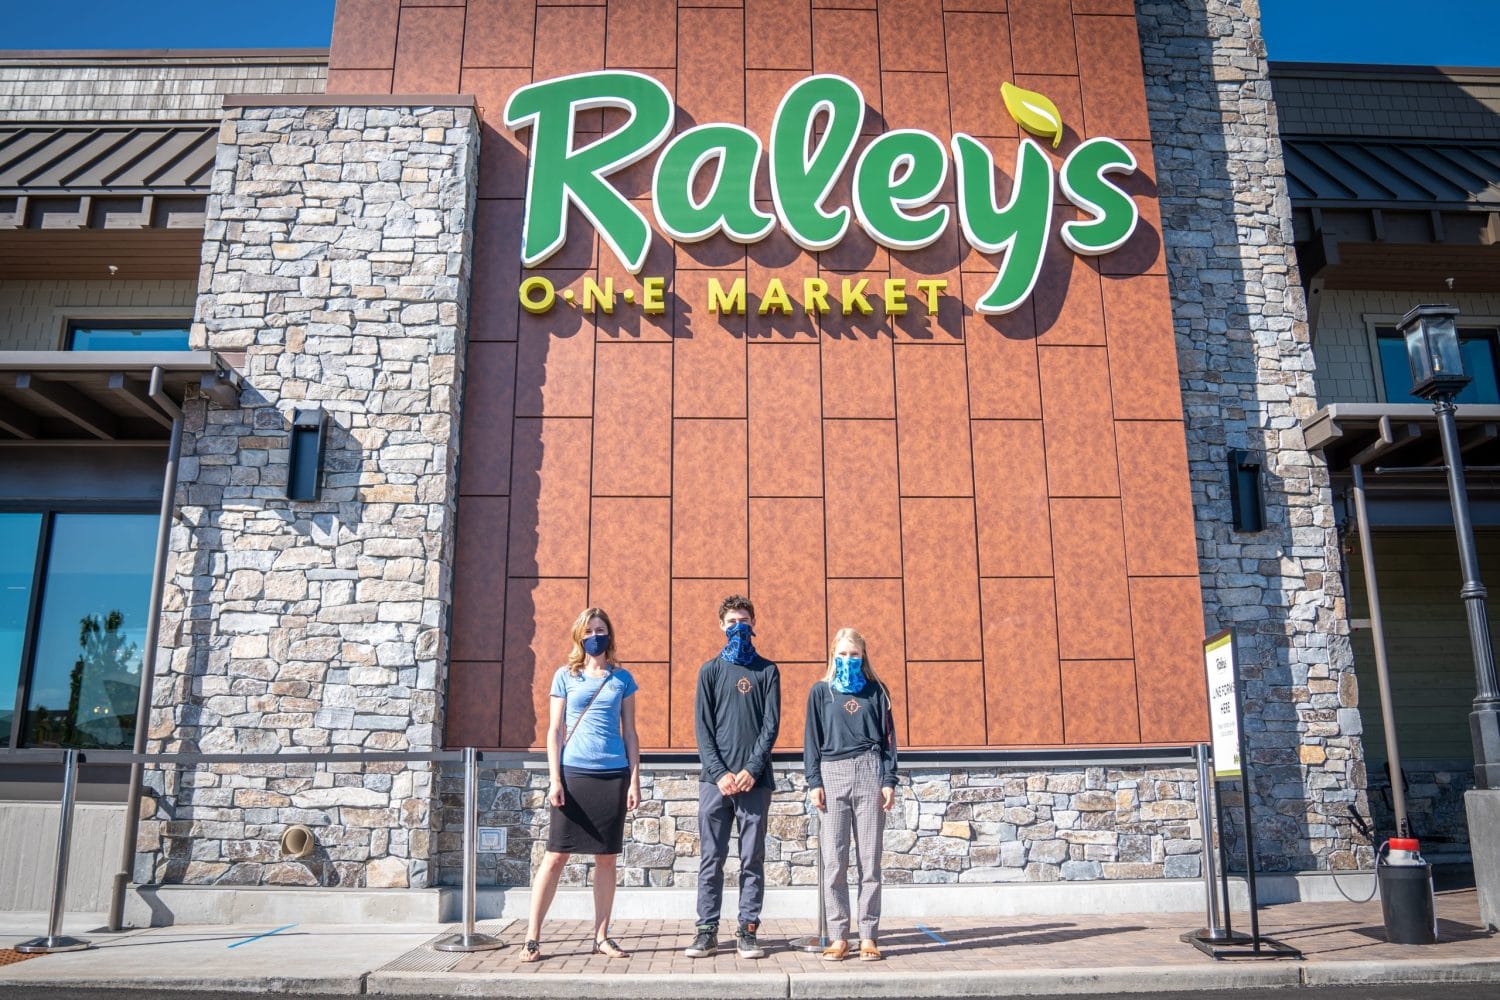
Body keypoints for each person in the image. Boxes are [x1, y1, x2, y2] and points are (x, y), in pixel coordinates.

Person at [522, 607, 641, 962]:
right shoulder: (565, 676)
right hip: (573, 774)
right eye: (588, 630)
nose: (595, 635)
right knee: (556, 855)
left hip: (612, 775)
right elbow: (554, 731)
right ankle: (532, 937)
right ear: (579, 636)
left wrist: (635, 780)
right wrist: (554, 778)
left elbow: (630, 733)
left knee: (606, 859)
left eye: (601, 629)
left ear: (610, 634)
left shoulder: (622, 679)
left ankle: (601, 936)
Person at [685, 594, 780, 960]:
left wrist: (750, 770)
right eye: (731, 622)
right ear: (720, 627)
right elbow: (702, 728)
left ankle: (747, 930)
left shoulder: (768, 671)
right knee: (712, 858)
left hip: (755, 783)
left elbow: (770, 726)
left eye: (743, 621)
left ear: (753, 623)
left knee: (752, 859)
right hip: (715, 782)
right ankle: (706, 930)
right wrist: (722, 773)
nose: (737, 628)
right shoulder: (709, 671)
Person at [803, 627, 898, 962]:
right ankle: (839, 936)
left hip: (870, 772)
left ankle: (869, 936)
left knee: (869, 862)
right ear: (833, 655)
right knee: (835, 863)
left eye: (853, 654)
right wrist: (814, 781)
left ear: (863, 655)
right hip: (832, 773)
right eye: (842, 654)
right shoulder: (821, 692)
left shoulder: (877, 691)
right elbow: (811, 741)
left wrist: (889, 780)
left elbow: (889, 741)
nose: (848, 660)